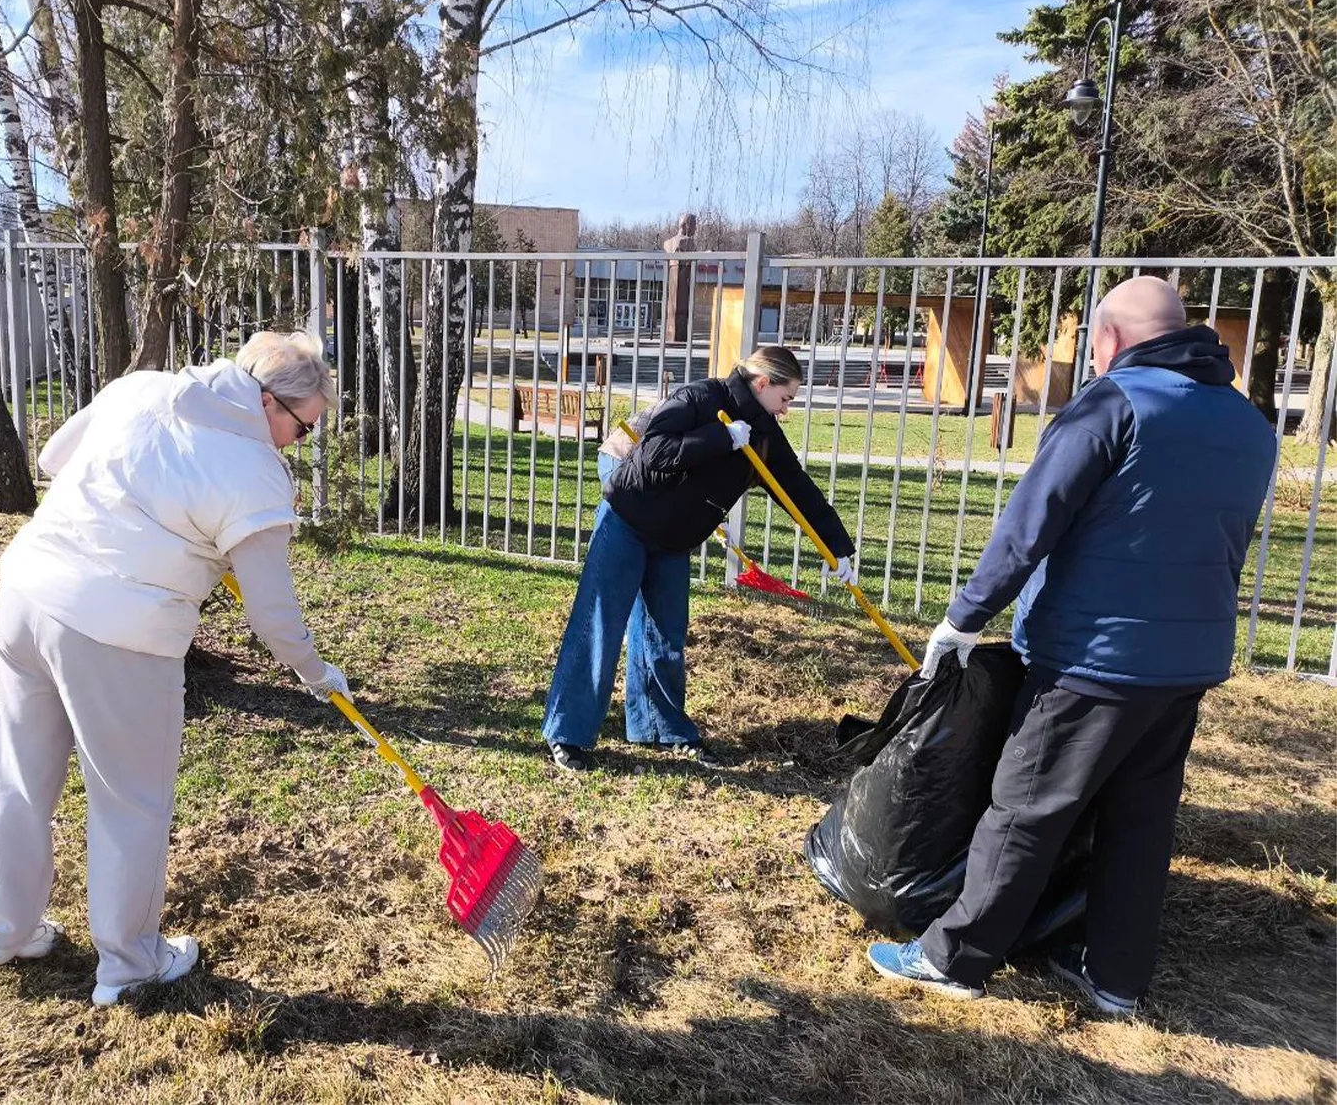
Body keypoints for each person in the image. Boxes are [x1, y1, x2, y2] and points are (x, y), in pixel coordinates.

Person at [867, 277, 1277, 1014]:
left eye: (1093, 343)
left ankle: (954, 957)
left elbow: (1030, 525)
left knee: (1026, 808)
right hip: (1186, 664)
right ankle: (1117, 980)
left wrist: (964, 618)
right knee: (1140, 822)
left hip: (1093, 658)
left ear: (1110, 339)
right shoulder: (1248, 423)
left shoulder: (1112, 404)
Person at [0, 331, 353, 1007]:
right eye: (303, 427)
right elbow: (272, 614)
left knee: (19, 773)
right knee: (131, 799)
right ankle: (131, 963)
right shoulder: (256, 471)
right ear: (268, 402)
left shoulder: (144, 387)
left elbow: (55, 458)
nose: (297, 443)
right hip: (120, 633)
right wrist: (317, 674)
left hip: (26, 595)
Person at [542, 345, 856, 772]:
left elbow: (798, 489)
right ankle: (567, 732)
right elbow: (654, 453)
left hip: (675, 535)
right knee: (601, 622)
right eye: (785, 398)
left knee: (665, 632)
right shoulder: (701, 398)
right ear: (763, 383)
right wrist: (719, 438)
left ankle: (662, 728)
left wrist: (837, 546)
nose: (786, 409)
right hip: (631, 515)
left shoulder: (764, 436)